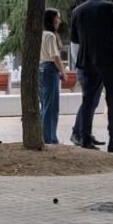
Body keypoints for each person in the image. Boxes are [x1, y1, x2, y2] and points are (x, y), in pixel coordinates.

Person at [69, 0, 113, 153]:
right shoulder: (109, 7)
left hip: (86, 60)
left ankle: (85, 138)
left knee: (88, 100)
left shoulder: (77, 10)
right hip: (107, 59)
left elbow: (74, 39)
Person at [39, 9, 68, 144]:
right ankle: (49, 137)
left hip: (41, 70)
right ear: (51, 20)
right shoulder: (50, 35)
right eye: (57, 18)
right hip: (50, 70)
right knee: (51, 106)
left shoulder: (40, 34)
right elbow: (55, 56)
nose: (59, 21)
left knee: (45, 104)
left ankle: (45, 135)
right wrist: (63, 72)